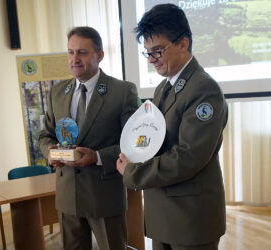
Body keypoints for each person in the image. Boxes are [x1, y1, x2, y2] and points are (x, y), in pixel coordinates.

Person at [116, 4, 228, 250]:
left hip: (191, 218)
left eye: (158, 51)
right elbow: (156, 140)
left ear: (183, 44)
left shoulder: (203, 90)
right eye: (147, 53)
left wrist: (134, 172)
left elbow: (188, 157)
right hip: (164, 213)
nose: (152, 60)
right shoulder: (163, 87)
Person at [38, 26, 138, 250]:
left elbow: (133, 143)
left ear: (99, 55)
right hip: (67, 196)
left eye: (82, 52)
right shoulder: (57, 92)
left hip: (104, 195)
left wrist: (98, 157)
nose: (74, 59)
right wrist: (50, 151)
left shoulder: (122, 92)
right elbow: (45, 134)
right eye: (70, 52)